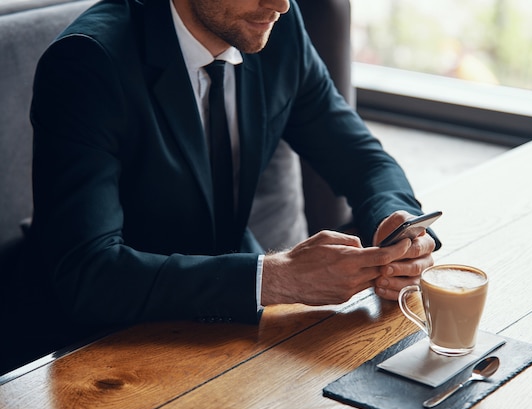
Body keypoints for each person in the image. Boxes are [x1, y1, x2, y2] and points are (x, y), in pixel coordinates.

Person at [7, 0, 440, 370]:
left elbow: (361, 157)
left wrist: (399, 226)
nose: (282, 4)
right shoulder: (88, 62)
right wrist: (275, 278)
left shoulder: (276, 30)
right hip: (107, 343)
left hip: (237, 324)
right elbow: (89, 275)